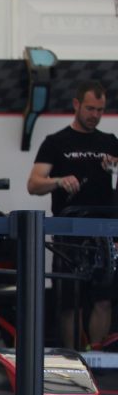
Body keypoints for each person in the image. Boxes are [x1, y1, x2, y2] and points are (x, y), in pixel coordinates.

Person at [27, 80, 118, 348]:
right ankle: (71, 359)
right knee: (69, 301)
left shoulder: (110, 142)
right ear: (76, 104)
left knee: (103, 298)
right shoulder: (56, 142)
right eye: (90, 108)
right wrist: (57, 181)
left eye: (100, 110)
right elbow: (33, 184)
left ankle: (97, 359)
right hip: (68, 231)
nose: (95, 115)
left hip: (103, 231)